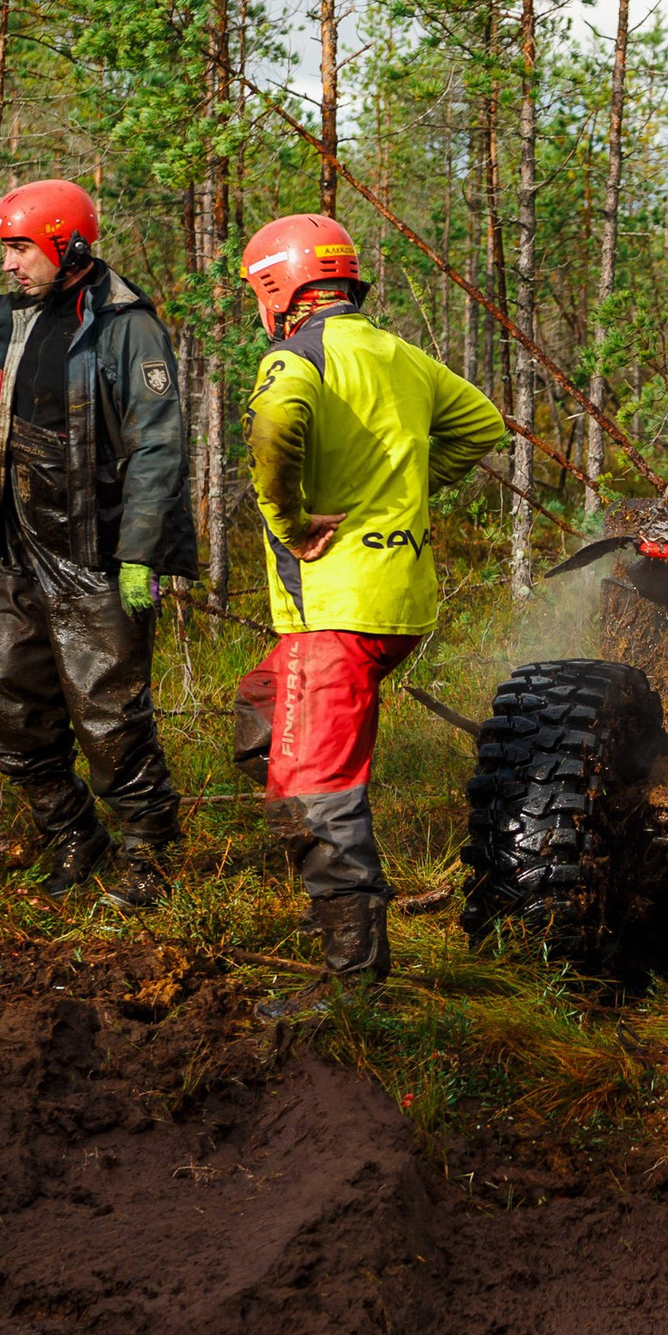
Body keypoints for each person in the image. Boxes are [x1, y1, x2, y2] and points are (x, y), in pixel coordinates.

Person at [232, 214, 507, 986]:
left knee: (313, 794)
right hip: (394, 606)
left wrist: (291, 521)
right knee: (258, 718)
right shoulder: (400, 355)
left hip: (337, 610)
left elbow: (274, 426)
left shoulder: (295, 356)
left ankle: (351, 981)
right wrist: (402, 489)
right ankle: (318, 860)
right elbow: (482, 424)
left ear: (278, 288)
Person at [0, 179, 195, 907]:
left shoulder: (128, 325)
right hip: (24, 549)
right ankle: (73, 834)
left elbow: (158, 445)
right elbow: (1, 433)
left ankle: (149, 858)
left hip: (99, 551)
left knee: (109, 717)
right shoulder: (22, 318)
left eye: (20, 248)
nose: (8, 264)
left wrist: (140, 553)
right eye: (4, 249)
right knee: (9, 703)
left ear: (67, 244)